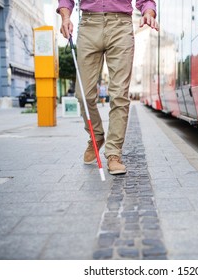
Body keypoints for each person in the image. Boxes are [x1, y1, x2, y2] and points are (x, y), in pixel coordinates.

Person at [57, 0, 159, 175]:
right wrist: (65, 17)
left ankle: (113, 153)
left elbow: (146, 1)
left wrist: (148, 13)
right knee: (84, 95)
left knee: (119, 94)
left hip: (121, 25)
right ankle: (96, 135)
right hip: (89, 25)